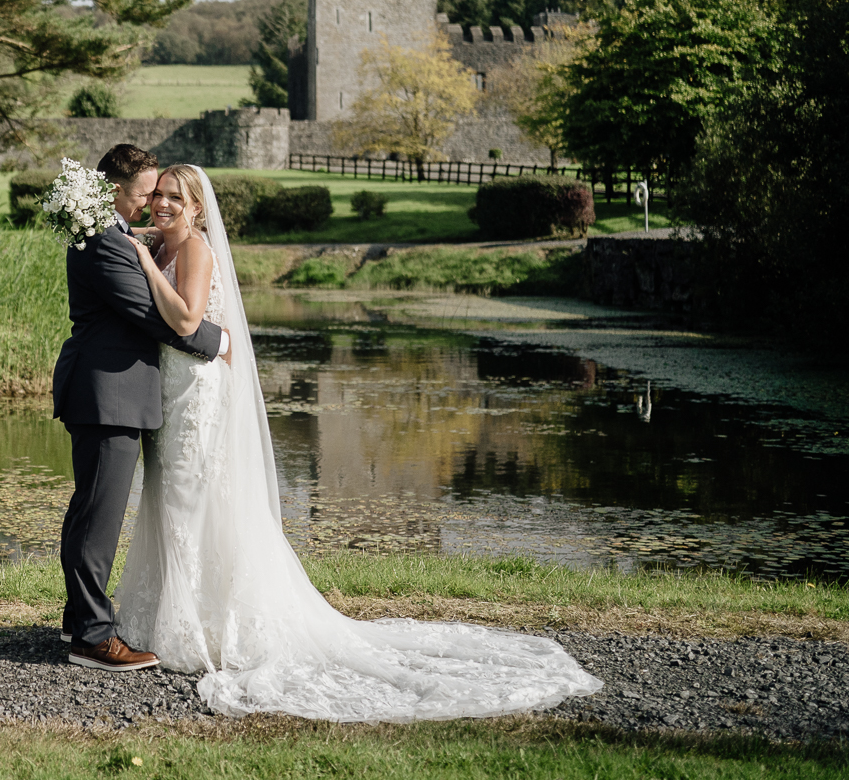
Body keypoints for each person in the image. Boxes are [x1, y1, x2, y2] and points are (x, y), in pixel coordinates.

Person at [115, 164, 604, 720]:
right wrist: (140, 244)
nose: (162, 204)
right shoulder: (161, 243)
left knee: (193, 498)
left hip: (198, 395)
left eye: (175, 197)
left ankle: (204, 627)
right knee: (172, 499)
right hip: (175, 396)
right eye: (157, 195)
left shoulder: (195, 251)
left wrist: (144, 266)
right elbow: (144, 248)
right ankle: (170, 616)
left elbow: (185, 319)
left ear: (198, 207)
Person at [51, 145, 230, 672]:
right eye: (144, 194)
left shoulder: (115, 232)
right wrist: (218, 343)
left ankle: (78, 618)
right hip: (108, 393)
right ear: (114, 192)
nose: (151, 203)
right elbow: (156, 318)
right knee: (98, 517)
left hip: (113, 392)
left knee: (91, 511)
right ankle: (92, 637)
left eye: (162, 194)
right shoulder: (107, 241)